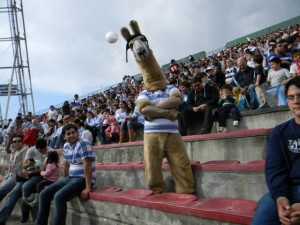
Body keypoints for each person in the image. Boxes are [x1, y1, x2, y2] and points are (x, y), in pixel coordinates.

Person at [251, 76, 300, 225]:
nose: (296, 101)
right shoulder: (280, 132)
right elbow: (274, 168)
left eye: (299, 96)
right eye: (291, 97)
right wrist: (280, 197)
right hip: (288, 189)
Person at [36, 124, 96, 225]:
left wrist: (88, 187)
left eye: (73, 132)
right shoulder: (66, 146)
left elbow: (88, 165)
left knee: (59, 196)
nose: (71, 135)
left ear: (78, 133)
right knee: (44, 194)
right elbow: (67, 164)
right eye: (68, 134)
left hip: (82, 179)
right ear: (64, 136)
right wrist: (65, 179)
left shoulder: (83, 143)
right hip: (70, 178)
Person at [0, 139, 50, 224]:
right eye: (14, 141)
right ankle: (2, 219)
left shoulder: (50, 152)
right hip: (23, 176)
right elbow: (24, 165)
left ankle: (22, 216)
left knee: (21, 189)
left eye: (19, 141)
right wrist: (29, 165)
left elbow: (45, 169)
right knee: (10, 193)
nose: (41, 152)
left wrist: (30, 172)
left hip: (38, 176)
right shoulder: (31, 150)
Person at [0, 136, 27, 202]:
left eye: (19, 141)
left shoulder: (25, 150)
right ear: (12, 144)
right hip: (9, 175)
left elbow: (25, 164)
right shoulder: (13, 151)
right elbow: (11, 165)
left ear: (22, 142)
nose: (17, 143)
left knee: (1, 190)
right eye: (14, 141)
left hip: (16, 176)